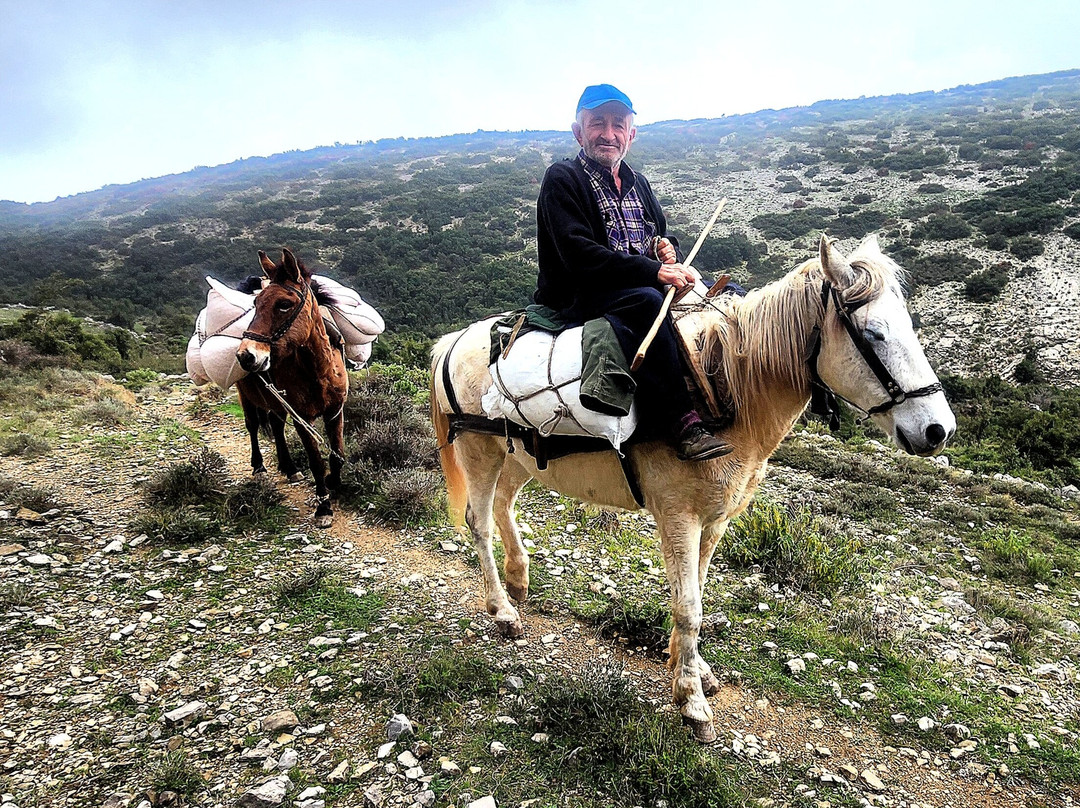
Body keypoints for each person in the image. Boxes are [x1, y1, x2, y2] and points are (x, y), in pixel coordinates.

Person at [534, 84, 731, 461]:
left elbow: (660, 229)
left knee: (724, 291)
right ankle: (681, 421)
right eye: (598, 124)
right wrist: (655, 272)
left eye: (618, 125)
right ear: (579, 132)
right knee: (647, 302)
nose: (608, 134)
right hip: (582, 292)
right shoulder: (563, 178)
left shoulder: (639, 182)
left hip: (639, 280)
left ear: (631, 135)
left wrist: (666, 246)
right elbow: (580, 255)